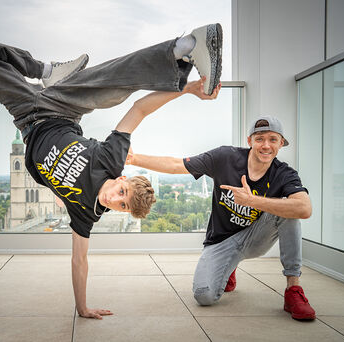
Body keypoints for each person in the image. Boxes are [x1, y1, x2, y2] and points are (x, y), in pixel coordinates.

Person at [0, 23, 223, 319]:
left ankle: (53, 76)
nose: (116, 199)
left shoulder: (86, 213)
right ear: (121, 179)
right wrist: (186, 89)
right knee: (108, 87)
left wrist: (82, 307)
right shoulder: (111, 160)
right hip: (60, 108)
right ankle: (185, 47)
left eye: (122, 205)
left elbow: (79, 261)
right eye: (122, 192)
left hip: (25, 115)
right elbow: (139, 108)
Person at [127, 115, 317, 320]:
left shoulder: (284, 173)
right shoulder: (225, 157)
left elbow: (304, 208)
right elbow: (176, 164)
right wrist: (133, 158)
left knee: (291, 210)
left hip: (255, 238)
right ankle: (228, 267)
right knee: (204, 296)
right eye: (259, 138)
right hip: (221, 241)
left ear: (281, 143)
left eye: (272, 139)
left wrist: (252, 201)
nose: (266, 145)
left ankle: (293, 291)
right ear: (249, 141)